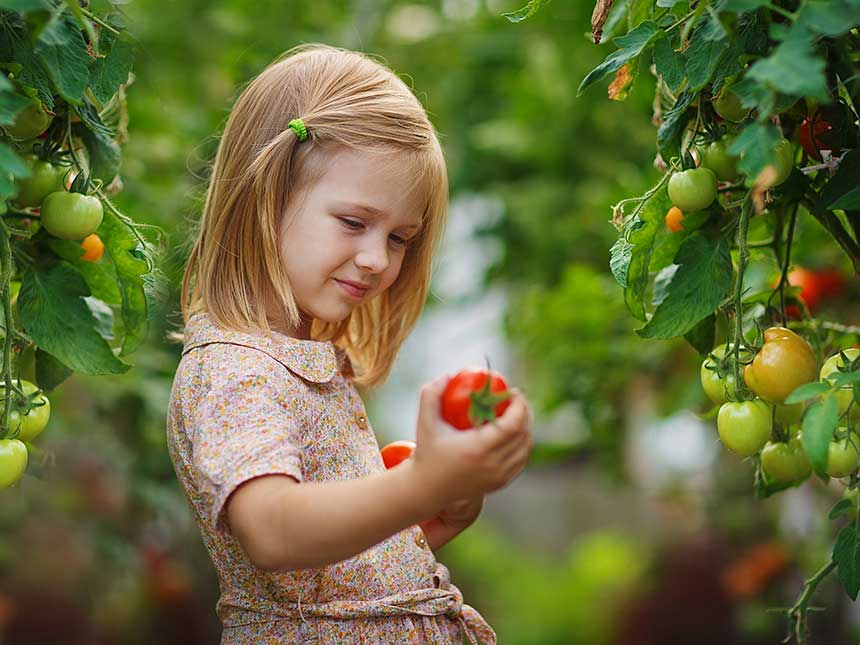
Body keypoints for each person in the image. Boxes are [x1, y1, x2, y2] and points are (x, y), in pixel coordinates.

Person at [166, 43, 533, 644]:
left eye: (399, 238)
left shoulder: (296, 364)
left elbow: (335, 582)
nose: (376, 259)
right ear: (266, 195)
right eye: (355, 222)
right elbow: (275, 534)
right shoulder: (236, 373)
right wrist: (419, 485)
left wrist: (432, 517)